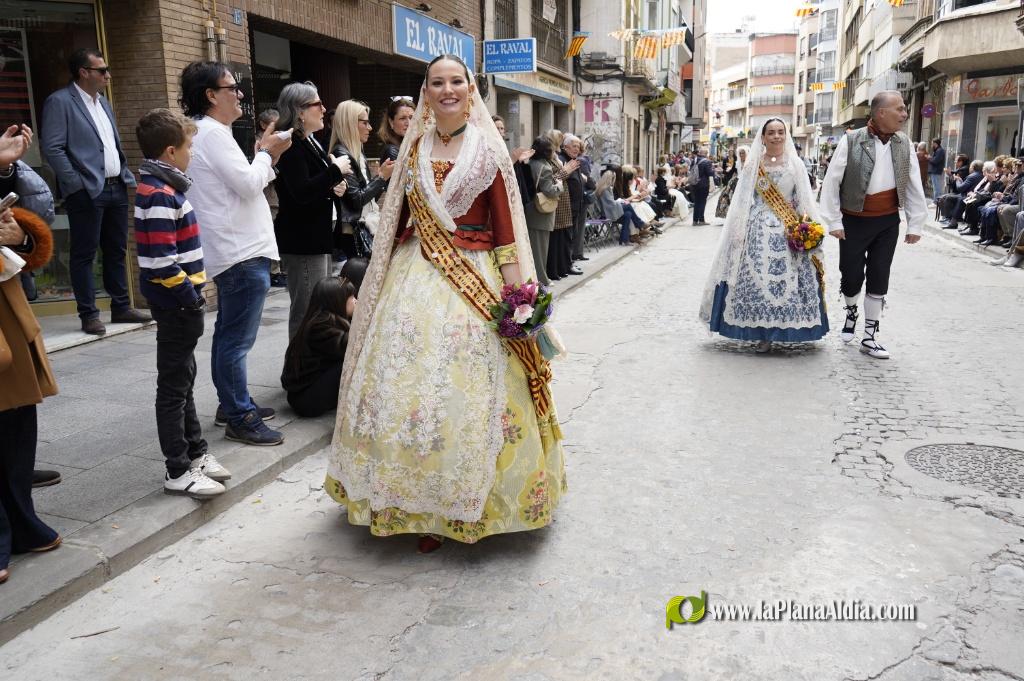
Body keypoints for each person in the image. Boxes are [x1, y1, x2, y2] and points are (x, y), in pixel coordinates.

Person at [326, 54, 566, 554]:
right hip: (413, 279)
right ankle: (412, 502)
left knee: (467, 391)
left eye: (457, 81)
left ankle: (469, 501)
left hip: (474, 276)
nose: (448, 89)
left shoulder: (488, 152)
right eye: (438, 82)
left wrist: (519, 298)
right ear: (426, 91)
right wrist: (377, 282)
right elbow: (396, 224)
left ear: (470, 89)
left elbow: (504, 233)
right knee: (407, 386)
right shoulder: (412, 152)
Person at [180, 60, 292, 445]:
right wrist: (266, 151)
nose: (240, 94)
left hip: (239, 249)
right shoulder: (211, 134)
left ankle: (232, 403)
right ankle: (239, 415)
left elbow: (242, 184)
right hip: (240, 251)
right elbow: (247, 184)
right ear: (211, 95)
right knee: (235, 339)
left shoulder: (210, 133)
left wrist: (268, 157)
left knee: (230, 334)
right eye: (232, 88)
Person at [133, 108, 228, 498]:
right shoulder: (158, 193)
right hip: (176, 304)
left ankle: (195, 454)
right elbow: (160, 261)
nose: (192, 153)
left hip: (181, 303)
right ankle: (177, 468)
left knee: (184, 380)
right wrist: (189, 297)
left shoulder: (166, 188)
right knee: (174, 387)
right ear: (171, 151)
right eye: (189, 147)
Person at [40, 48, 149, 336]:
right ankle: (89, 314)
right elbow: (52, 147)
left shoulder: (104, 103)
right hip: (86, 190)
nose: (108, 75)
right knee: (84, 254)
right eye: (102, 70)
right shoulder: (60, 102)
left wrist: (125, 177)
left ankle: (121, 306)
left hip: (116, 187)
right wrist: (75, 184)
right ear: (84, 72)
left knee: (116, 250)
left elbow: (110, 143)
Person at [699, 119, 828, 352]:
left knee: (789, 280)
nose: (776, 136)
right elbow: (742, 201)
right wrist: (738, 231)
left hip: (788, 228)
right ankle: (761, 334)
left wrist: (808, 227)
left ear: (785, 135)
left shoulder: (795, 164)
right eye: (771, 133)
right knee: (756, 277)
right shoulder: (754, 165)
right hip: (756, 228)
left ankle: (784, 329)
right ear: (763, 137)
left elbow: (803, 199)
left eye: (780, 132)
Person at [819, 90, 926, 360]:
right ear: (881, 113)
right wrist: (833, 220)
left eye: (904, 109)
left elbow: (914, 184)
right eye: (899, 109)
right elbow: (832, 181)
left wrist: (915, 224)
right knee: (851, 276)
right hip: (853, 220)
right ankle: (852, 311)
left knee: (880, 274)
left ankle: (870, 335)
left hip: (887, 221)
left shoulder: (904, 143)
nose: (904, 114)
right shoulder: (851, 139)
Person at [0, 126, 62, 586]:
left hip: (6, 312)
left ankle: (22, 524)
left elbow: (27, 238)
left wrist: (18, 235)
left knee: (18, 421)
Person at [272, 81, 351, 339]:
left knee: (317, 304)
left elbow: (313, 187)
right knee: (306, 308)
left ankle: (309, 363)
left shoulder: (310, 142)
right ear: (300, 111)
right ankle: (297, 371)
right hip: (303, 239)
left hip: (317, 236)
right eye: (318, 104)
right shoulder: (291, 145)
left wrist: (333, 185)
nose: (324, 108)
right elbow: (301, 192)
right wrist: (335, 170)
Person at [280, 276, 355, 417]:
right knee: (353, 362)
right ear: (336, 301)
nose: (355, 300)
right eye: (351, 297)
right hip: (306, 399)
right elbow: (350, 347)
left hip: (309, 391)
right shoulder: (321, 325)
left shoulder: (325, 318)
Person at [329, 100, 395, 259]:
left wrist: (380, 179)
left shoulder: (357, 153)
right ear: (350, 123)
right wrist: (381, 178)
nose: (370, 128)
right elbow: (356, 200)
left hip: (362, 228)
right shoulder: (342, 154)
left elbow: (368, 198)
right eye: (365, 123)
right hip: (353, 233)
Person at [524, 136, 564, 285]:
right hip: (541, 213)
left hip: (530, 210)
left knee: (533, 248)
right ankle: (542, 279)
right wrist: (559, 185)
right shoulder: (545, 167)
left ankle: (535, 277)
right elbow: (550, 191)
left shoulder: (530, 163)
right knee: (540, 250)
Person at [257, 109, 287, 288]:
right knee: (271, 234)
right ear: (263, 125)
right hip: (267, 198)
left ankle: (278, 269)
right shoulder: (259, 144)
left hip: (277, 197)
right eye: (274, 126)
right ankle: (274, 271)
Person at [558, 134, 591, 268]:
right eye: (574, 146)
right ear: (565, 147)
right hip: (567, 206)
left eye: (578, 146)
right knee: (567, 238)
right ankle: (567, 263)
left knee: (572, 236)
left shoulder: (574, 159)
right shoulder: (563, 160)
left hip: (576, 205)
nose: (577, 149)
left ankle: (569, 262)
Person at [378, 97, 415, 163]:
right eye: (402, 118)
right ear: (391, 122)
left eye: (411, 118)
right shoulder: (392, 151)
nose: (409, 123)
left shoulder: (410, 147)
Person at [715, 146, 748, 220]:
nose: (742, 155)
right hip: (737, 183)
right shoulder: (737, 163)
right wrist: (722, 171)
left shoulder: (750, 162)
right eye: (740, 153)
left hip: (747, 183)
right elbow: (731, 172)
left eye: (743, 153)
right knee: (730, 198)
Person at [691, 146, 714, 225]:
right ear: (705, 153)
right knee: (702, 202)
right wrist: (713, 169)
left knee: (696, 202)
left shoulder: (694, 160)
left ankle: (694, 220)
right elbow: (710, 173)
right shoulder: (707, 161)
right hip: (703, 185)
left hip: (695, 184)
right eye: (707, 153)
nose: (707, 154)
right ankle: (701, 220)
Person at [928, 138, 946, 202]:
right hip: (936, 171)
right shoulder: (938, 150)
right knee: (936, 187)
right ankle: (937, 201)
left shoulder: (940, 151)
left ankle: (936, 202)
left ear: (935, 144)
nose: (931, 145)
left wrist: (929, 158)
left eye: (932, 144)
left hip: (937, 172)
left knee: (937, 188)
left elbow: (935, 161)